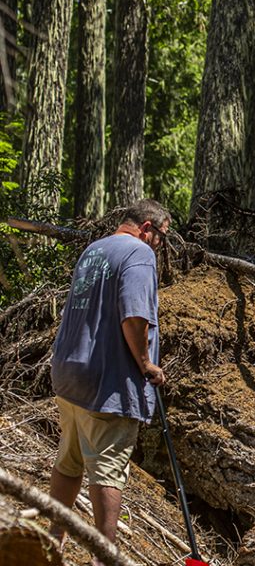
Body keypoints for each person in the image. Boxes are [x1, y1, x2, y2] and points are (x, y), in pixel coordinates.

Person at [48, 199, 171, 547]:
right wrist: (146, 364)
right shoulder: (138, 253)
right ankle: (105, 557)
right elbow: (134, 316)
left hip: (70, 372)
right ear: (147, 228)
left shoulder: (94, 250)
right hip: (106, 381)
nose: (160, 246)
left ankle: (53, 538)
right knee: (108, 468)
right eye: (161, 236)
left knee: (69, 458)